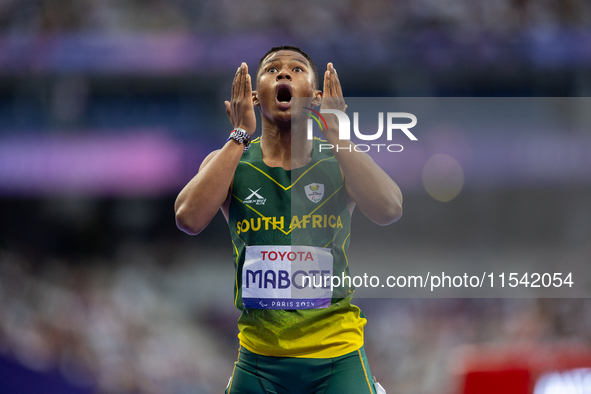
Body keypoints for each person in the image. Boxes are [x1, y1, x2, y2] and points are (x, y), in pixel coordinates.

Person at [175, 45, 402, 394]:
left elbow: (389, 208)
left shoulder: (339, 160)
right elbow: (188, 218)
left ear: (314, 96)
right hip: (259, 362)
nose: (283, 74)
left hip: (337, 357)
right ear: (252, 95)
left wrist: (337, 135)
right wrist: (239, 136)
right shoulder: (230, 162)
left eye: (296, 69)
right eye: (272, 69)